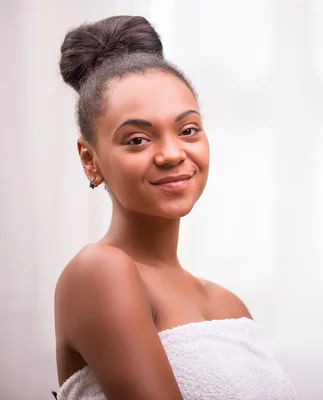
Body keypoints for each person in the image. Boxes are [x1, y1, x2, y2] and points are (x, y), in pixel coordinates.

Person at [52, 15, 298, 400]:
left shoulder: (231, 306)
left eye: (188, 130)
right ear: (90, 159)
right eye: (137, 139)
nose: (171, 154)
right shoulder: (99, 272)